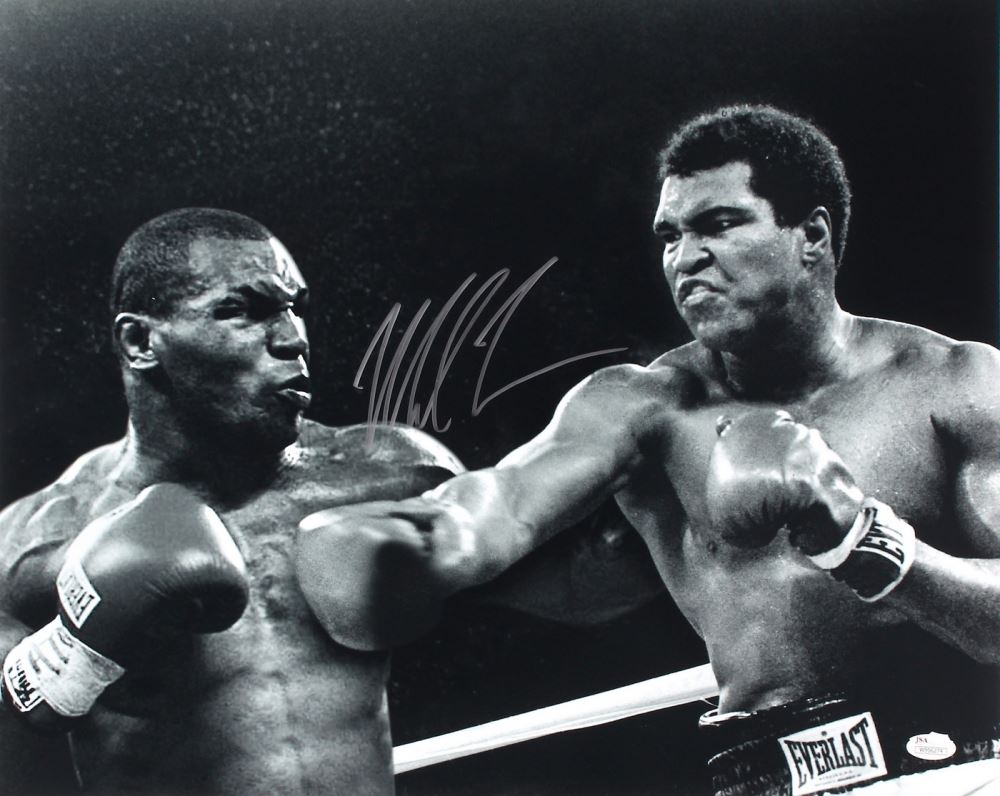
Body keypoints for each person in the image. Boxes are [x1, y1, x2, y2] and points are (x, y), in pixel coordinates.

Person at [299, 105, 1000, 794]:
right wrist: (417, 541)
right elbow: (505, 501)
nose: (686, 259)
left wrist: (861, 539)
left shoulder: (957, 384)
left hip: (964, 767)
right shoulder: (643, 406)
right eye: (670, 236)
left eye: (719, 224)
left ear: (810, 235)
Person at [0, 207, 466, 795]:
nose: (293, 338)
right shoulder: (38, 538)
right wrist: (71, 651)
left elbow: (561, 581)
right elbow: (23, 706)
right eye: (242, 310)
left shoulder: (388, 472)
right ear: (141, 342)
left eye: (294, 308)